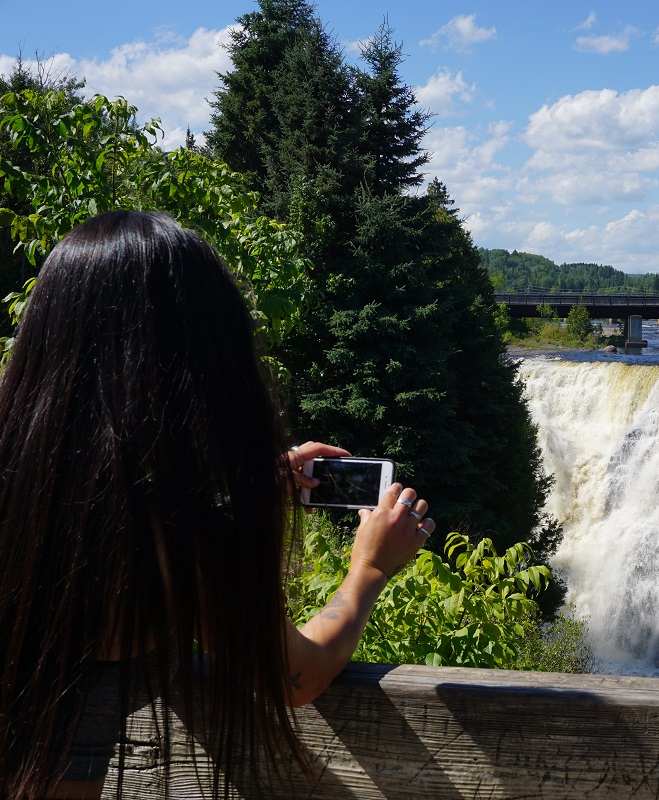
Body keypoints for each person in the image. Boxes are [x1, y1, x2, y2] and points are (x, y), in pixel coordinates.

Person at [0, 211, 434, 799]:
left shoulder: (36, 498)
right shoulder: (174, 548)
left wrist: (237, 494)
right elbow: (296, 675)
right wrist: (370, 568)